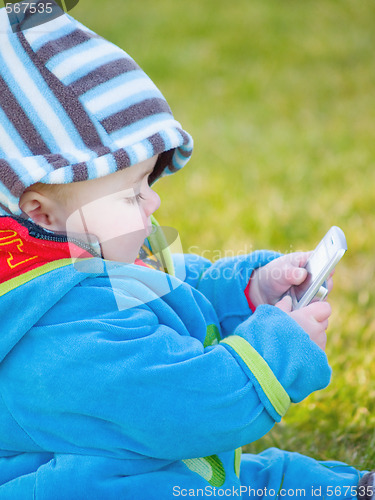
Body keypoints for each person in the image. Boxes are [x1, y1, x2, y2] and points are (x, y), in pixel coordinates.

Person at [0, 3, 373, 499]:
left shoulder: (87, 242)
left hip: (142, 461)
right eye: (133, 192)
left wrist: (251, 290)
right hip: (94, 482)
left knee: (232, 475)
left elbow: (175, 285)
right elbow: (187, 405)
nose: (153, 200)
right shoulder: (58, 328)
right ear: (41, 210)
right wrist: (277, 351)